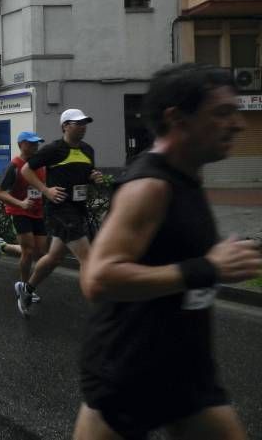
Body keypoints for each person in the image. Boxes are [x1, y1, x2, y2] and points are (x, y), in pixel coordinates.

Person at [74, 64, 262, 440]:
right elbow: (98, 279)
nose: (238, 125)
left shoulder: (188, 175)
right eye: (222, 113)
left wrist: (217, 261)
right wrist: (205, 267)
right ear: (178, 119)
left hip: (187, 370)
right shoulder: (149, 187)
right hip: (128, 371)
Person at [17, 108, 103, 316]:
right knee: (89, 259)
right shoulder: (53, 149)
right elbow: (25, 170)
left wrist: (94, 177)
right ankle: (103, 316)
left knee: (54, 257)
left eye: (84, 123)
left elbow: (86, 174)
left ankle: (26, 289)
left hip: (79, 209)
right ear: (65, 126)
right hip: (60, 210)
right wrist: (46, 190)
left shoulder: (88, 150)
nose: (82, 127)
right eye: (77, 123)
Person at [0, 131, 47, 302]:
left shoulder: (41, 165)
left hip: (37, 212)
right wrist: (20, 203)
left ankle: (3, 247)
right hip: (19, 211)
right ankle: (25, 288)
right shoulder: (14, 166)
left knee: (39, 251)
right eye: (31, 143)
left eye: (37, 143)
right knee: (29, 250)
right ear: (21, 145)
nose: (35, 146)